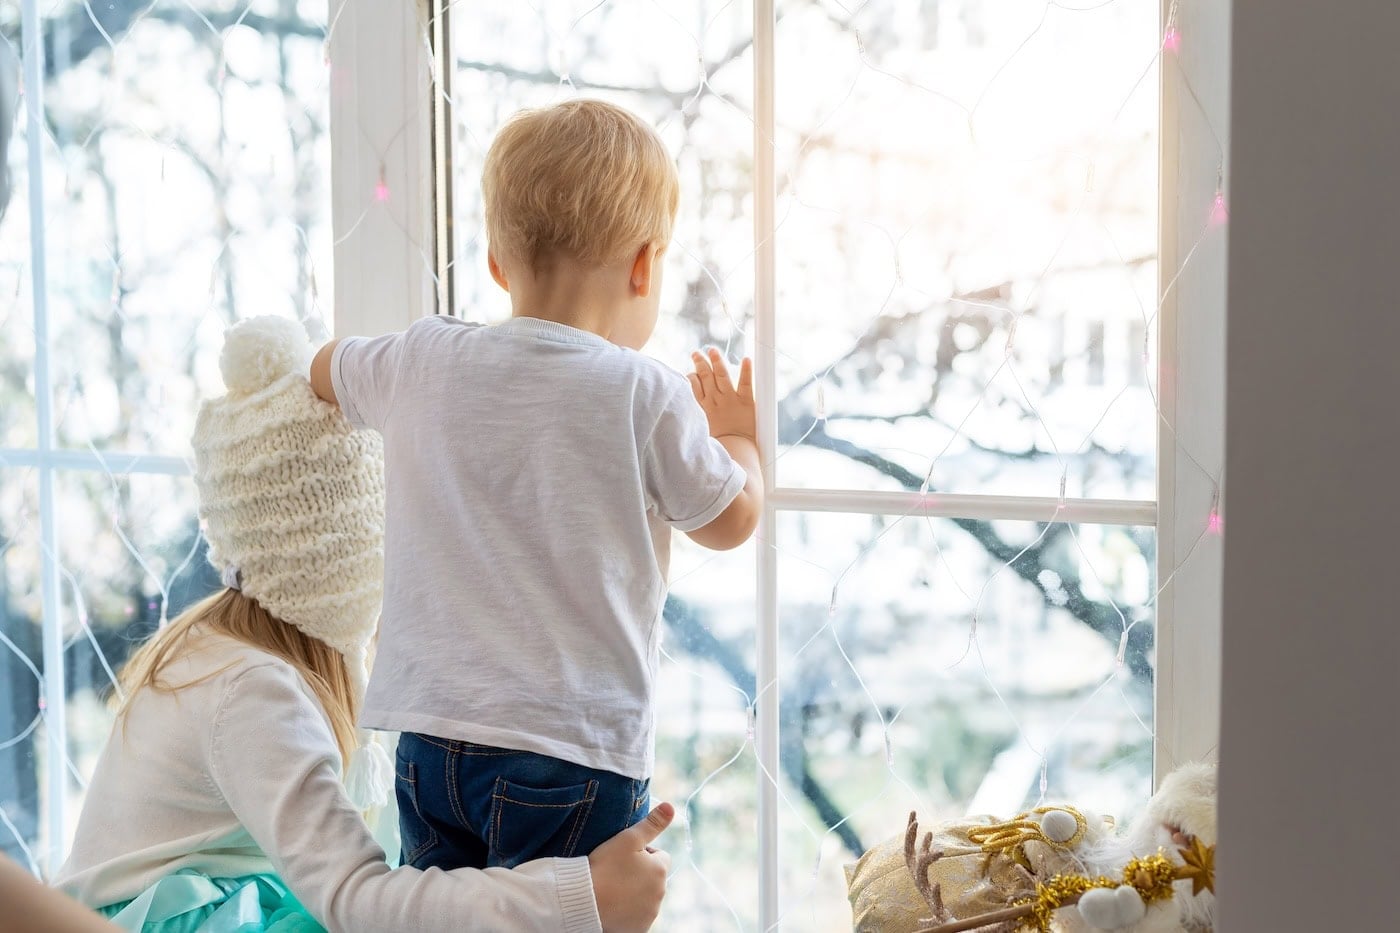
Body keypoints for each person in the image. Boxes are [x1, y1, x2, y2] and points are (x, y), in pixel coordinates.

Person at [54, 316, 673, 932]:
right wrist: (578, 899)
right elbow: (356, 900)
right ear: (362, 545)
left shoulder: (236, 647)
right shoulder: (250, 689)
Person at [309, 98, 764, 871]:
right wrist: (740, 435)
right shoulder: (641, 392)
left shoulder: (422, 357)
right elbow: (730, 518)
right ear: (645, 266)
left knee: (448, 924)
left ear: (495, 261)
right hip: (573, 750)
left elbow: (323, 369)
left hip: (428, 739)